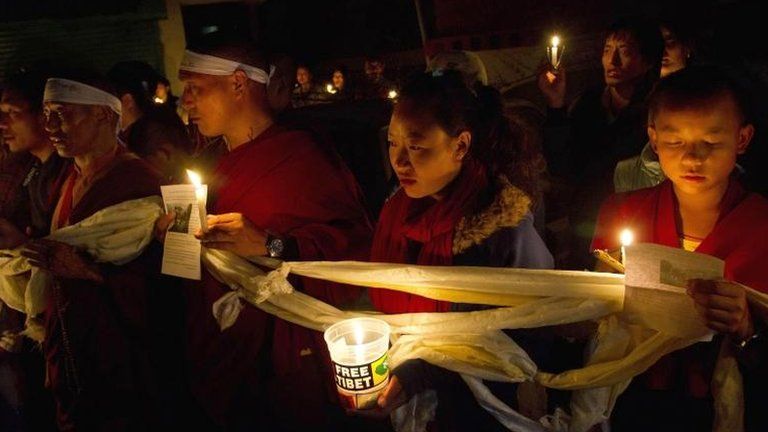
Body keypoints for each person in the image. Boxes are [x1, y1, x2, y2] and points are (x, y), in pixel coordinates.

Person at [166, 37, 373, 430]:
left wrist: (271, 245)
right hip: (220, 346)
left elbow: (355, 249)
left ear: (239, 84)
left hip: (283, 360)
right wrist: (174, 234)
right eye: (184, 91)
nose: (186, 101)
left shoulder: (300, 156)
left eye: (196, 88)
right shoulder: (206, 163)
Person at [369, 71, 553, 431]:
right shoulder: (398, 211)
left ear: (461, 146)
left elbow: (525, 338)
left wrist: (418, 375)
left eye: (416, 145)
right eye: (392, 143)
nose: (400, 161)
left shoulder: (503, 229)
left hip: (482, 409)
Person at [592, 66, 768, 431]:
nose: (692, 158)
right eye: (675, 142)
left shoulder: (761, 226)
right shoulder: (623, 211)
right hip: (633, 398)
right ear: (654, 140)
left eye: (712, 142)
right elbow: (590, 320)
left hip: (724, 405)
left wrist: (746, 328)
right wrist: (603, 296)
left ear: (743, 139)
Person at [20, 74, 180, 430]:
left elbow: (168, 283)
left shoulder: (138, 181)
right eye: (46, 114)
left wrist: (89, 272)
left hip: (121, 358)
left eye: (62, 113)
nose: (50, 126)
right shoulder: (68, 179)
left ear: (105, 117)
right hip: (72, 345)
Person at [538, 16, 664, 269]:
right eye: (607, 50)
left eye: (624, 52)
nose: (612, 61)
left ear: (648, 61)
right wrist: (556, 105)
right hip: (584, 221)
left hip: (635, 225)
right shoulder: (588, 104)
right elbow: (562, 164)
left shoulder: (659, 110)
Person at [614, 17, 698, 193]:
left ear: (687, 47)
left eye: (669, 42)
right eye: (655, 46)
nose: (663, 52)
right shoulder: (631, 106)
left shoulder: (709, 97)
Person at [108, 61, 193, 183]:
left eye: (111, 104)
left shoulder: (156, 132)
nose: (107, 113)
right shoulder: (158, 121)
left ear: (127, 101)